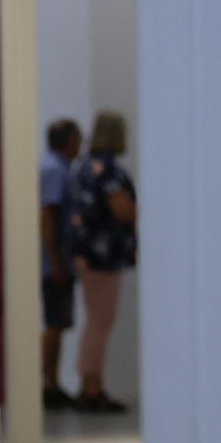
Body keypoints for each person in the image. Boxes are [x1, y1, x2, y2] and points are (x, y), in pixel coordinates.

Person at [67, 111, 138, 413]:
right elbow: (123, 210)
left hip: (89, 255)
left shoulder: (83, 166)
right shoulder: (107, 169)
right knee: (100, 322)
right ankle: (91, 387)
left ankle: (90, 384)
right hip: (103, 257)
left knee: (96, 322)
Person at [40, 118, 83, 409]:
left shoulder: (58, 168)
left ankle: (53, 382)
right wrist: (55, 261)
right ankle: (49, 384)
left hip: (59, 260)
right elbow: (48, 217)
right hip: (54, 262)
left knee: (58, 321)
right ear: (69, 141)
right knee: (55, 322)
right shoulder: (55, 171)